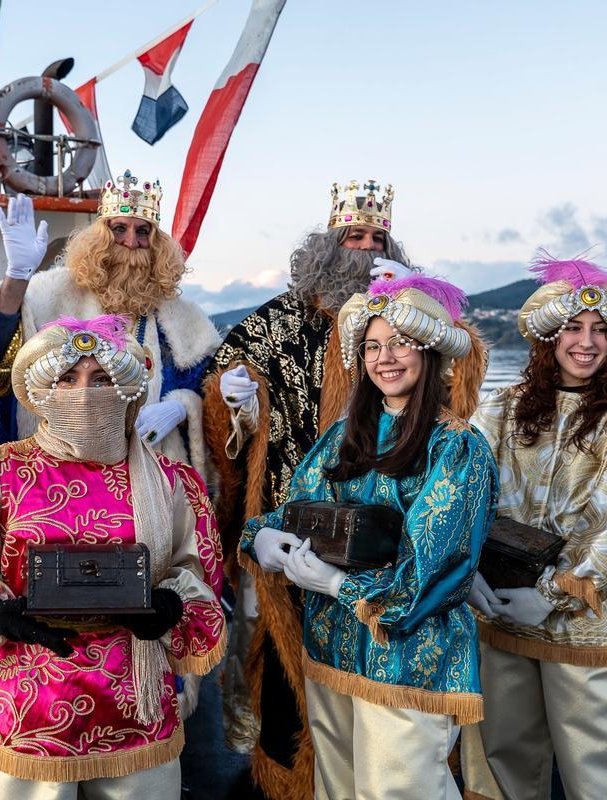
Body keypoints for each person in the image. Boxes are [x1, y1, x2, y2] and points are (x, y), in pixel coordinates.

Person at [0, 315, 225, 799]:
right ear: (44, 388)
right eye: (69, 378)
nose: (85, 392)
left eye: (101, 379)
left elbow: (197, 574)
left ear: (125, 388)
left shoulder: (171, 482)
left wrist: (171, 606)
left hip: (136, 712)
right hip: (28, 710)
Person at [238, 273, 495, 799]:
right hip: (330, 648)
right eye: (373, 346)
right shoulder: (342, 434)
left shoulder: (457, 447)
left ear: (430, 354)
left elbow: (433, 569)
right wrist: (262, 537)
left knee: (402, 790)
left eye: (400, 343)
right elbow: (297, 510)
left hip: (405, 659)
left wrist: (338, 585)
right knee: (338, 787)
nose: (386, 357)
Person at [200, 179, 415, 797]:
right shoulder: (274, 324)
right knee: (290, 655)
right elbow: (230, 409)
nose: (366, 249)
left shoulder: (406, 320)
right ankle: (291, 779)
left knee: (376, 648)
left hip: (386, 524)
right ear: (329, 241)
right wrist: (232, 404)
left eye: (378, 238)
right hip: (293, 524)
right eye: (355, 236)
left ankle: (375, 777)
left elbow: (452, 393)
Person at [461, 254, 607, 800]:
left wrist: (552, 594)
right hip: (502, 609)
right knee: (501, 758)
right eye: (573, 328)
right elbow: (463, 496)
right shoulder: (502, 409)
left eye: (601, 330)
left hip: (591, 622)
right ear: (549, 337)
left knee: (606, 772)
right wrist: (469, 577)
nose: (587, 341)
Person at [0, 171, 221, 480]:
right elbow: (7, 358)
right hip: (65, 472)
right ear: (100, 234)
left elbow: (203, 388)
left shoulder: (181, 319)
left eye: (142, 232)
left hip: (153, 472)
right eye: (119, 228)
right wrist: (17, 278)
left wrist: (180, 408)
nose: (131, 242)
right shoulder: (53, 294)